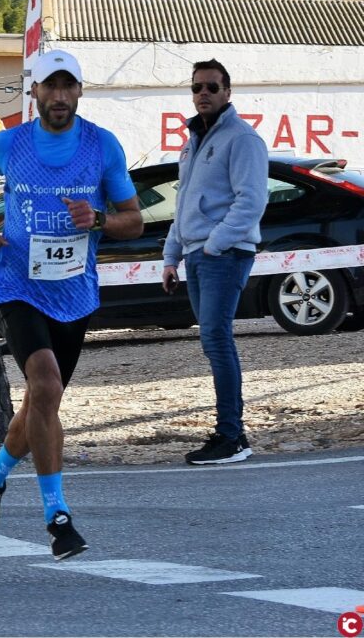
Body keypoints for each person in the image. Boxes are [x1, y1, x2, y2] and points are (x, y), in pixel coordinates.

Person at [0, 49, 143, 560]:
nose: (59, 97)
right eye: (49, 87)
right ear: (33, 91)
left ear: (79, 91)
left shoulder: (102, 147)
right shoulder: (8, 144)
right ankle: (57, 517)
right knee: (45, 385)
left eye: (68, 87)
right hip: (17, 283)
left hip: (74, 292)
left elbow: (134, 219)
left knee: (43, 404)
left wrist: (99, 220)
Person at [162, 59, 268, 466]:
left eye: (211, 86)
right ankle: (231, 432)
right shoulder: (192, 141)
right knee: (213, 342)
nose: (202, 93)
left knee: (217, 340)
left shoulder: (242, 140)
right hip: (196, 255)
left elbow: (251, 202)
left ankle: (231, 436)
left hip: (223, 255)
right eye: (196, 87)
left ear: (228, 91)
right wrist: (172, 255)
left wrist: (215, 244)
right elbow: (184, 201)